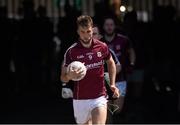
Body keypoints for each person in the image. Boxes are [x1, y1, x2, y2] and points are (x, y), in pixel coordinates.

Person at [60, 15, 120, 124]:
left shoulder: (102, 46)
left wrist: (112, 83)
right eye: (82, 32)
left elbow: (111, 62)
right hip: (80, 99)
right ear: (78, 31)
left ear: (92, 29)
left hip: (99, 97)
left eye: (88, 31)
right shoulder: (71, 51)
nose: (86, 35)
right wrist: (69, 76)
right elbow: (63, 77)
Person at [101, 16, 136, 123]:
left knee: (117, 109)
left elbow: (131, 52)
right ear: (104, 27)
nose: (109, 27)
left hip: (120, 79)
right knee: (105, 110)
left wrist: (131, 64)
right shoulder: (99, 42)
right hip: (104, 80)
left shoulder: (124, 40)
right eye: (107, 25)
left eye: (111, 24)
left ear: (115, 26)